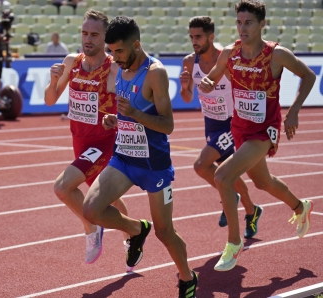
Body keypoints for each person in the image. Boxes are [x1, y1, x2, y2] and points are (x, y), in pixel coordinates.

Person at [82, 16, 198, 298]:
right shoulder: (120, 67)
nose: (114, 57)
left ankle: (187, 277)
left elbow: (167, 125)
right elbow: (128, 112)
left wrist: (134, 115)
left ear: (136, 44)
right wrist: (117, 119)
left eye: (119, 51)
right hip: (124, 158)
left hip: (154, 165)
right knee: (91, 209)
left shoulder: (155, 73)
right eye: (111, 51)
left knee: (165, 232)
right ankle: (135, 230)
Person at [199, 0, 315, 272]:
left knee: (222, 176)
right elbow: (214, 77)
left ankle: (234, 242)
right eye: (239, 22)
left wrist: (294, 111)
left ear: (262, 24)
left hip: (264, 130)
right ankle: (300, 206)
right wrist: (207, 83)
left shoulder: (277, 55)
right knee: (262, 182)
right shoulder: (230, 52)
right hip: (240, 127)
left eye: (248, 22)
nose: (242, 28)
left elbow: (308, 76)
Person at [44, 10, 129, 266]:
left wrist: (114, 117)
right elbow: (50, 100)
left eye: (94, 34)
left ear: (106, 37)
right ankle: (133, 233)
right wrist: (54, 79)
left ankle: (91, 229)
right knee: (110, 198)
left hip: (102, 144)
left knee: (62, 187)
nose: (88, 39)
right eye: (84, 33)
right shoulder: (72, 61)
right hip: (80, 141)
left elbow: (128, 106)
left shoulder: (113, 67)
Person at [179, 16, 262, 237]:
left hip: (230, 124)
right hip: (211, 124)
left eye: (198, 37)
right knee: (229, 176)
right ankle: (252, 211)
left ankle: (232, 197)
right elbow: (186, 99)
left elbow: (242, 89)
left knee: (200, 165)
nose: (194, 41)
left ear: (211, 36)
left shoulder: (225, 60)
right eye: (191, 37)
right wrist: (184, 86)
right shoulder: (189, 62)